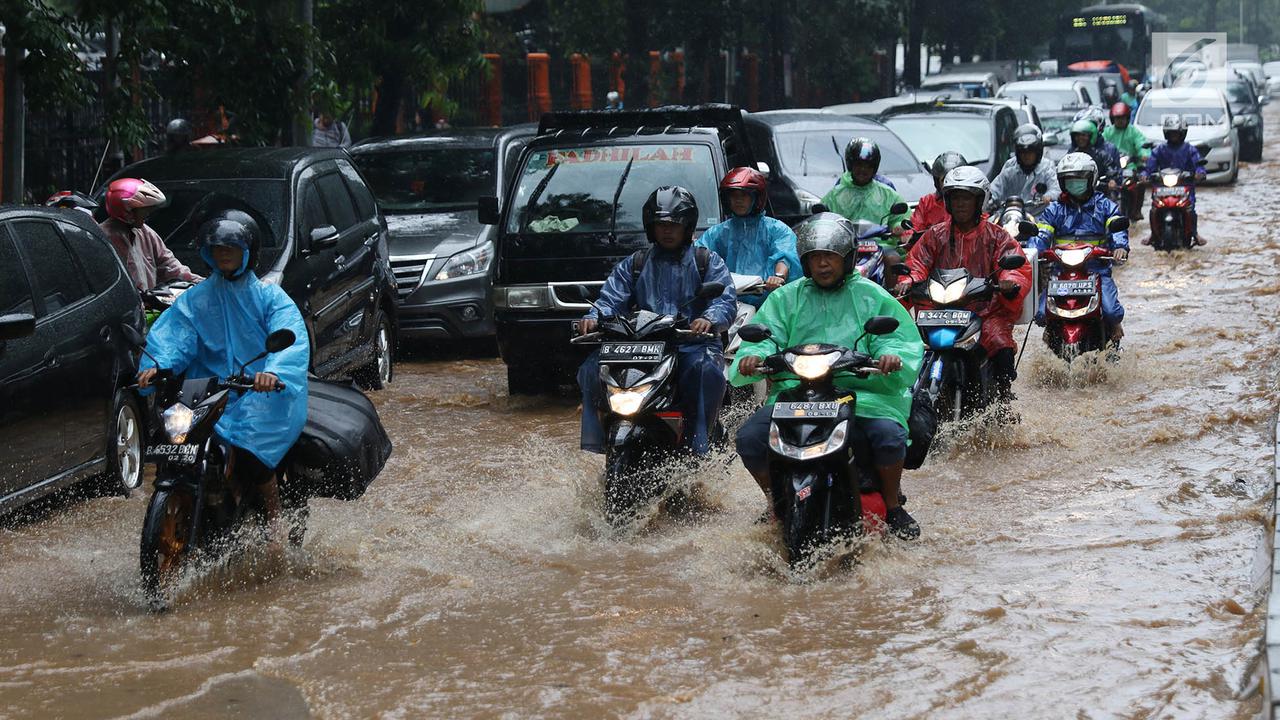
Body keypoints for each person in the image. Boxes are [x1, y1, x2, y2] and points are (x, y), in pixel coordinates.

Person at [730, 212, 924, 539]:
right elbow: (765, 336)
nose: (822, 265)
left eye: (830, 257)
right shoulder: (786, 297)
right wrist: (753, 357)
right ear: (805, 262)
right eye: (815, 258)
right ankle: (774, 501)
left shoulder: (871, 295)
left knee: (888, 437)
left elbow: (897, 337)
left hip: (862, 392)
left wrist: (891, 356)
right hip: (797, 394)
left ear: (846, 259)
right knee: (749, 438)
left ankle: (893, 506)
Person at [136, 209, 309, 543]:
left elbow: (291, 340)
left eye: (231, 247)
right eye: (217, 247)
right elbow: (175, 337)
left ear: (249, 252)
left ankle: (274, 525)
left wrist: (271, 373)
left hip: (258, 394)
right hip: (202, 391)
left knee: (251, 455)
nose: (223, 253)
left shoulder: (270, 297)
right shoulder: (195, 299)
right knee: (172, 444)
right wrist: (157, 365)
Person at [576, 186, 736, 455]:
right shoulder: (636, 263)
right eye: (661, 224)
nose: (667, 230)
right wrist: (593, 317)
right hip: (642, 346)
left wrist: (709, 319)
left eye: (675, 224)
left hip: (691, 345)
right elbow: (610, 299)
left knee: (704, 373)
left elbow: (725, 300)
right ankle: (596, 441)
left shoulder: (706, 261)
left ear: (688, 225)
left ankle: (698, 445)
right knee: (590, 368)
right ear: (651, 227)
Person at [896, 166, 1031, 410]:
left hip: (983, 311)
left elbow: (1014, 264)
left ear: (979, 200)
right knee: (909, 349)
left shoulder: (996, 236)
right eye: (955, 197)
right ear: (947, 200)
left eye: (967, 198)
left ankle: (1002, 403)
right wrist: (908, 281)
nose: (960, 204)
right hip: (937, 311)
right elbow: (917, 263)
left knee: (1000, 344)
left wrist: (1009, 281)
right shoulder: (934, 235)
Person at [1030, 152, 1129, 345]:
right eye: (1070, 180)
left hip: (1096, 270)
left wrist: (1120, 247)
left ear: (1090, 179)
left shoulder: (1105, 206)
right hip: (1061, 272)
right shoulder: (1055, 209)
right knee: (1041, 314)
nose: (1074, 183)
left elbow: (1117, 226)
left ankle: (1114, 327)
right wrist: (1031, 252)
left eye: (1079, 179)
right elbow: (1041, 235)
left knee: (1111, 311)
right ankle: (1052, 329)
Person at [695, 167, 800, 306]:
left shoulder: (777, 229)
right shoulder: (717, 233)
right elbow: (700, 255)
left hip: (768, 305)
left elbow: (786, 255)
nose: (738, 200)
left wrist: (778, 276)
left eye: (744, 195)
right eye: (733, 195)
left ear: (757, 198)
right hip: (725, 305)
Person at [100, 178, 203, 292]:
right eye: (144, 210)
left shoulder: (145, 232)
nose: (148, 214)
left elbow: (168, 263)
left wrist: (200, 282)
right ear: (127, 211)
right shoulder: (102, 238)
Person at [821, 138, 911, 242]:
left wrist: (898, 227)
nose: (863, 170)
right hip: (844, 247)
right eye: (859, 165)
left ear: (874, 168)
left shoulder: (888, 194)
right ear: (851, 165)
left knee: (893, 259)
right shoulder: (835, 195)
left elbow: (902, 219)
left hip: (880, 246)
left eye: (868, 166)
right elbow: (823, 220)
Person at [1140, 116, 1208, 245]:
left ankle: (1194, 233)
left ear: (1182, 133)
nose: (1174, 136)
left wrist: (1199, 173)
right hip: (1162, 187)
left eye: (1176, 133)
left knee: (1190, 208)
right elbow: (1149, 166)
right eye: (1171, 133)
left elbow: (1199, 164)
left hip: (1185, 185)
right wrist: (1145, 175)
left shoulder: (1190, 149)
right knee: (1154, 208)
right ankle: (1153, 234)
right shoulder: (1159, 150)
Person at [988, 124, 1060, 211]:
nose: (1027, 156)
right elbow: (995, 189)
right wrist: (989, 198)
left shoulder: (1047, 167)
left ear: (1038, 151)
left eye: (1031, 152)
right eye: (1023, 151)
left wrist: (1049, 196)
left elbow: (1056, 189)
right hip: (1009, 215)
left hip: (1038, 218)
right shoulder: (1010, 166)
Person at [1103, 102, 1150, 221]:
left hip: (1130, 165)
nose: (1120, 121)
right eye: (1117, 118)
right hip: (1112, 166)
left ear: (1127, 118)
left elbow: (1141, 143)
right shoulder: (1108, 132)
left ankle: (1136, 210)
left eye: (1122, 118)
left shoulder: (1133, 132)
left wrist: (1144, 154)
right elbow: (1101, 144)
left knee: (1140, 183)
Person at [911, 151, 968, 231]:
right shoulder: (927, 202)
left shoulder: (971, 201)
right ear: (937, 182)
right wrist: (909, 234)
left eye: (955, 180)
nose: (950, 184)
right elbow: (914, 227)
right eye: (945, 180)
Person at [1068, 118, 1122, 192]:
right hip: (1076, 192)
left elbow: (1111, 170)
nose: (1080, 138)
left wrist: (1112, 180)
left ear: (1091, 136)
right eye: (1077, 135)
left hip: (1098, 193)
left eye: (1083, 135)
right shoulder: (1071, 155)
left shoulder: (1101, 155)